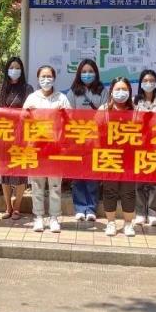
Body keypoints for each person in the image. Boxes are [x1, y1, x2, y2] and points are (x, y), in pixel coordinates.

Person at [23, 65, 71, 233]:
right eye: (43, 76)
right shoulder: (32, 98)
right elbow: (22, 120)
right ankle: (38, 217)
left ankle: (54, 217)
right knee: (37, 184)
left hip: (55, 147)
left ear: (54, 78)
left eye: (49, 76)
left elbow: (71, 120)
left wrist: (63, 114)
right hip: (36, 147)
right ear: (38, 79)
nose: (46, 79)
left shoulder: (61, 98)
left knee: (55, 185)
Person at [67, 58, 108, 222]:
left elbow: (105, 114)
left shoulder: (102, 91)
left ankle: (91, 208)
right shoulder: (72, 92)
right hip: (77, 138)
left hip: (95, 139)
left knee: (92, 175)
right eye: (84, 72)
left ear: (96, 73)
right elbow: (68, 115)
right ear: (79, 74)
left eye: (90, 71)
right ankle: (79, 208)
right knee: (77, 175)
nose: (87, 74)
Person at [0, 57, 34, 220]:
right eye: (11, 67)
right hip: (5, 134)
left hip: (22, 135)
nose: (14, 70)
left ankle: (17, 207)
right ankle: (8, 207)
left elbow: (31, 113)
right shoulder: (1, 88)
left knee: (20, 172)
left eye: (17, 68)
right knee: (5, 172)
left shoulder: (27, 88)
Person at [99, 78, 137, 237]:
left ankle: (128, 224)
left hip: (130, 157)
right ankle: (111, 223)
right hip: (109, 156)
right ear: (111, 91)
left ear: (129, 91)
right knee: (110, 190)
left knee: (128, 191)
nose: (121, 93)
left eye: (124, 89)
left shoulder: (136, 110)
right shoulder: (103, 110)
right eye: (117, 89)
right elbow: (94, 130)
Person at [132, 69, 156, 228]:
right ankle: (140, 212)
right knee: (140, 180)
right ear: (140, 83)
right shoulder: (135, 101)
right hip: (140, 145)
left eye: (151, 80)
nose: (148, 83)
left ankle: (152, 212)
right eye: (145, 81)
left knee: (155, 181)